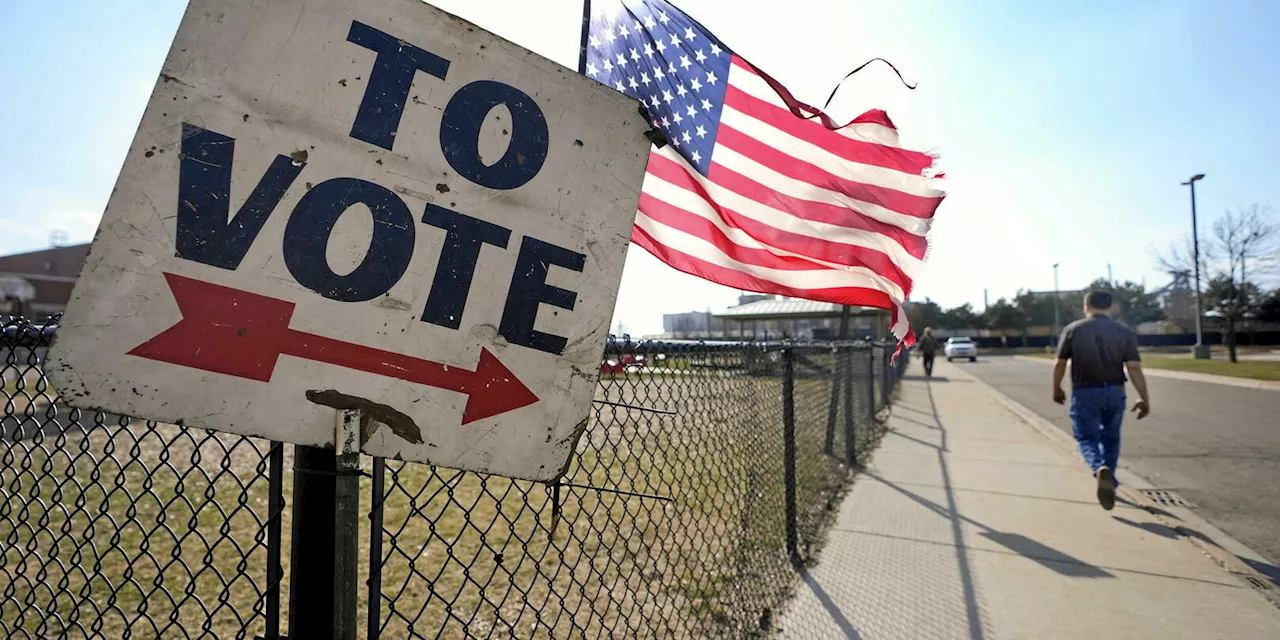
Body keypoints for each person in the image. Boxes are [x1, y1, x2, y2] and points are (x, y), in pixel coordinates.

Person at [1052, 291, 1151, 510]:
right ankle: (1110, 480)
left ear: (1086, 306)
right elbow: (1133, 366)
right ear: (1111, 307)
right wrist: (1144, 397)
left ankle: (1099, 469)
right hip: (1115, 390)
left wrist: (1056, 387)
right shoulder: (1123, 331)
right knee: (1111, 438)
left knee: (1086, 437)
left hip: (1085, 390)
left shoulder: (1073, 330)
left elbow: (1060, 363)